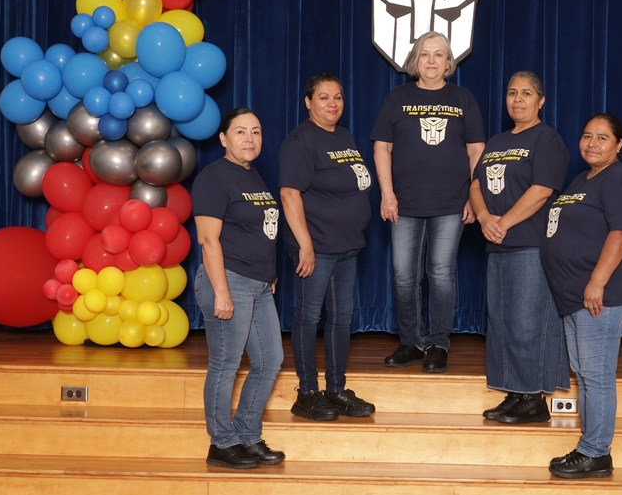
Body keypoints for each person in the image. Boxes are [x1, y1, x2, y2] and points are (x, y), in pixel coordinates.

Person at [371, 32, 485, 373]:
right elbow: (381, 148)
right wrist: (387, 194)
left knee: (441, 275)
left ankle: (438, 343)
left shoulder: (464, 98)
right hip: (404, 204)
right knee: (404, 276)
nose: (432, 60)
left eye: (439, 55)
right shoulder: (397, 98)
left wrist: (473, 197)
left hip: (450, 204)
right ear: (415, 62)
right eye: (425, 54)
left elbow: (476, 150)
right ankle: (411, 342)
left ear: (449, 63)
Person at [542, 114, 622, 479]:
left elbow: (621, 234)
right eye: (587, 136)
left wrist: (596, 282)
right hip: (574, 296)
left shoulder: (619, 180)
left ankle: (596, 452)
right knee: (585, 374)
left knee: (596, 374)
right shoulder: (581, 179)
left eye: (602, 137)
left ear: (619, 145)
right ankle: (591, 448)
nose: (592, 143)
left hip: (601, 295)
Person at [470, 71, 570, 424]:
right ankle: (514, 393)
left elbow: (542, 190)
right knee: (502, 321)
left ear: (540, 101)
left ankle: (533, 399)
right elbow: (476, 185)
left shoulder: (547, 139)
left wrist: (503, 222)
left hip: (530, 242)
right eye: (512, 92)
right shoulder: (497, 141)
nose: (517, 99)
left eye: (526, 93)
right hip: (497, 244)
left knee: (528, 322)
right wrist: (484, 218)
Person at [192, 108, 285, 470]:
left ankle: (248, 435)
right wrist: (222, 292)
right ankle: (222, 442)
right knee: (226, 363)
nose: (250, 139)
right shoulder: (214, 178)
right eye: (241, 132)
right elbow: (208, 239)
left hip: (259, 284)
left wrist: (269, 272)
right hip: (228, 281)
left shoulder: (253, 175)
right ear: (224, 139)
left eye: (256, 132)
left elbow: (260, 230)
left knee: (269, 360)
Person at [279, 74, 375, 421]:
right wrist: (305, 245)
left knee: (341, 318)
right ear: (308, 103)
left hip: (346, 248)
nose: (332, 104)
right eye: (323, 98)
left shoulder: (344, 137)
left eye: (337, 97)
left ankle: (335, 389)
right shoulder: (301, 142)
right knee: (308, 317)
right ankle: (307, 393)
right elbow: (289, 195)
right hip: (316, 248)